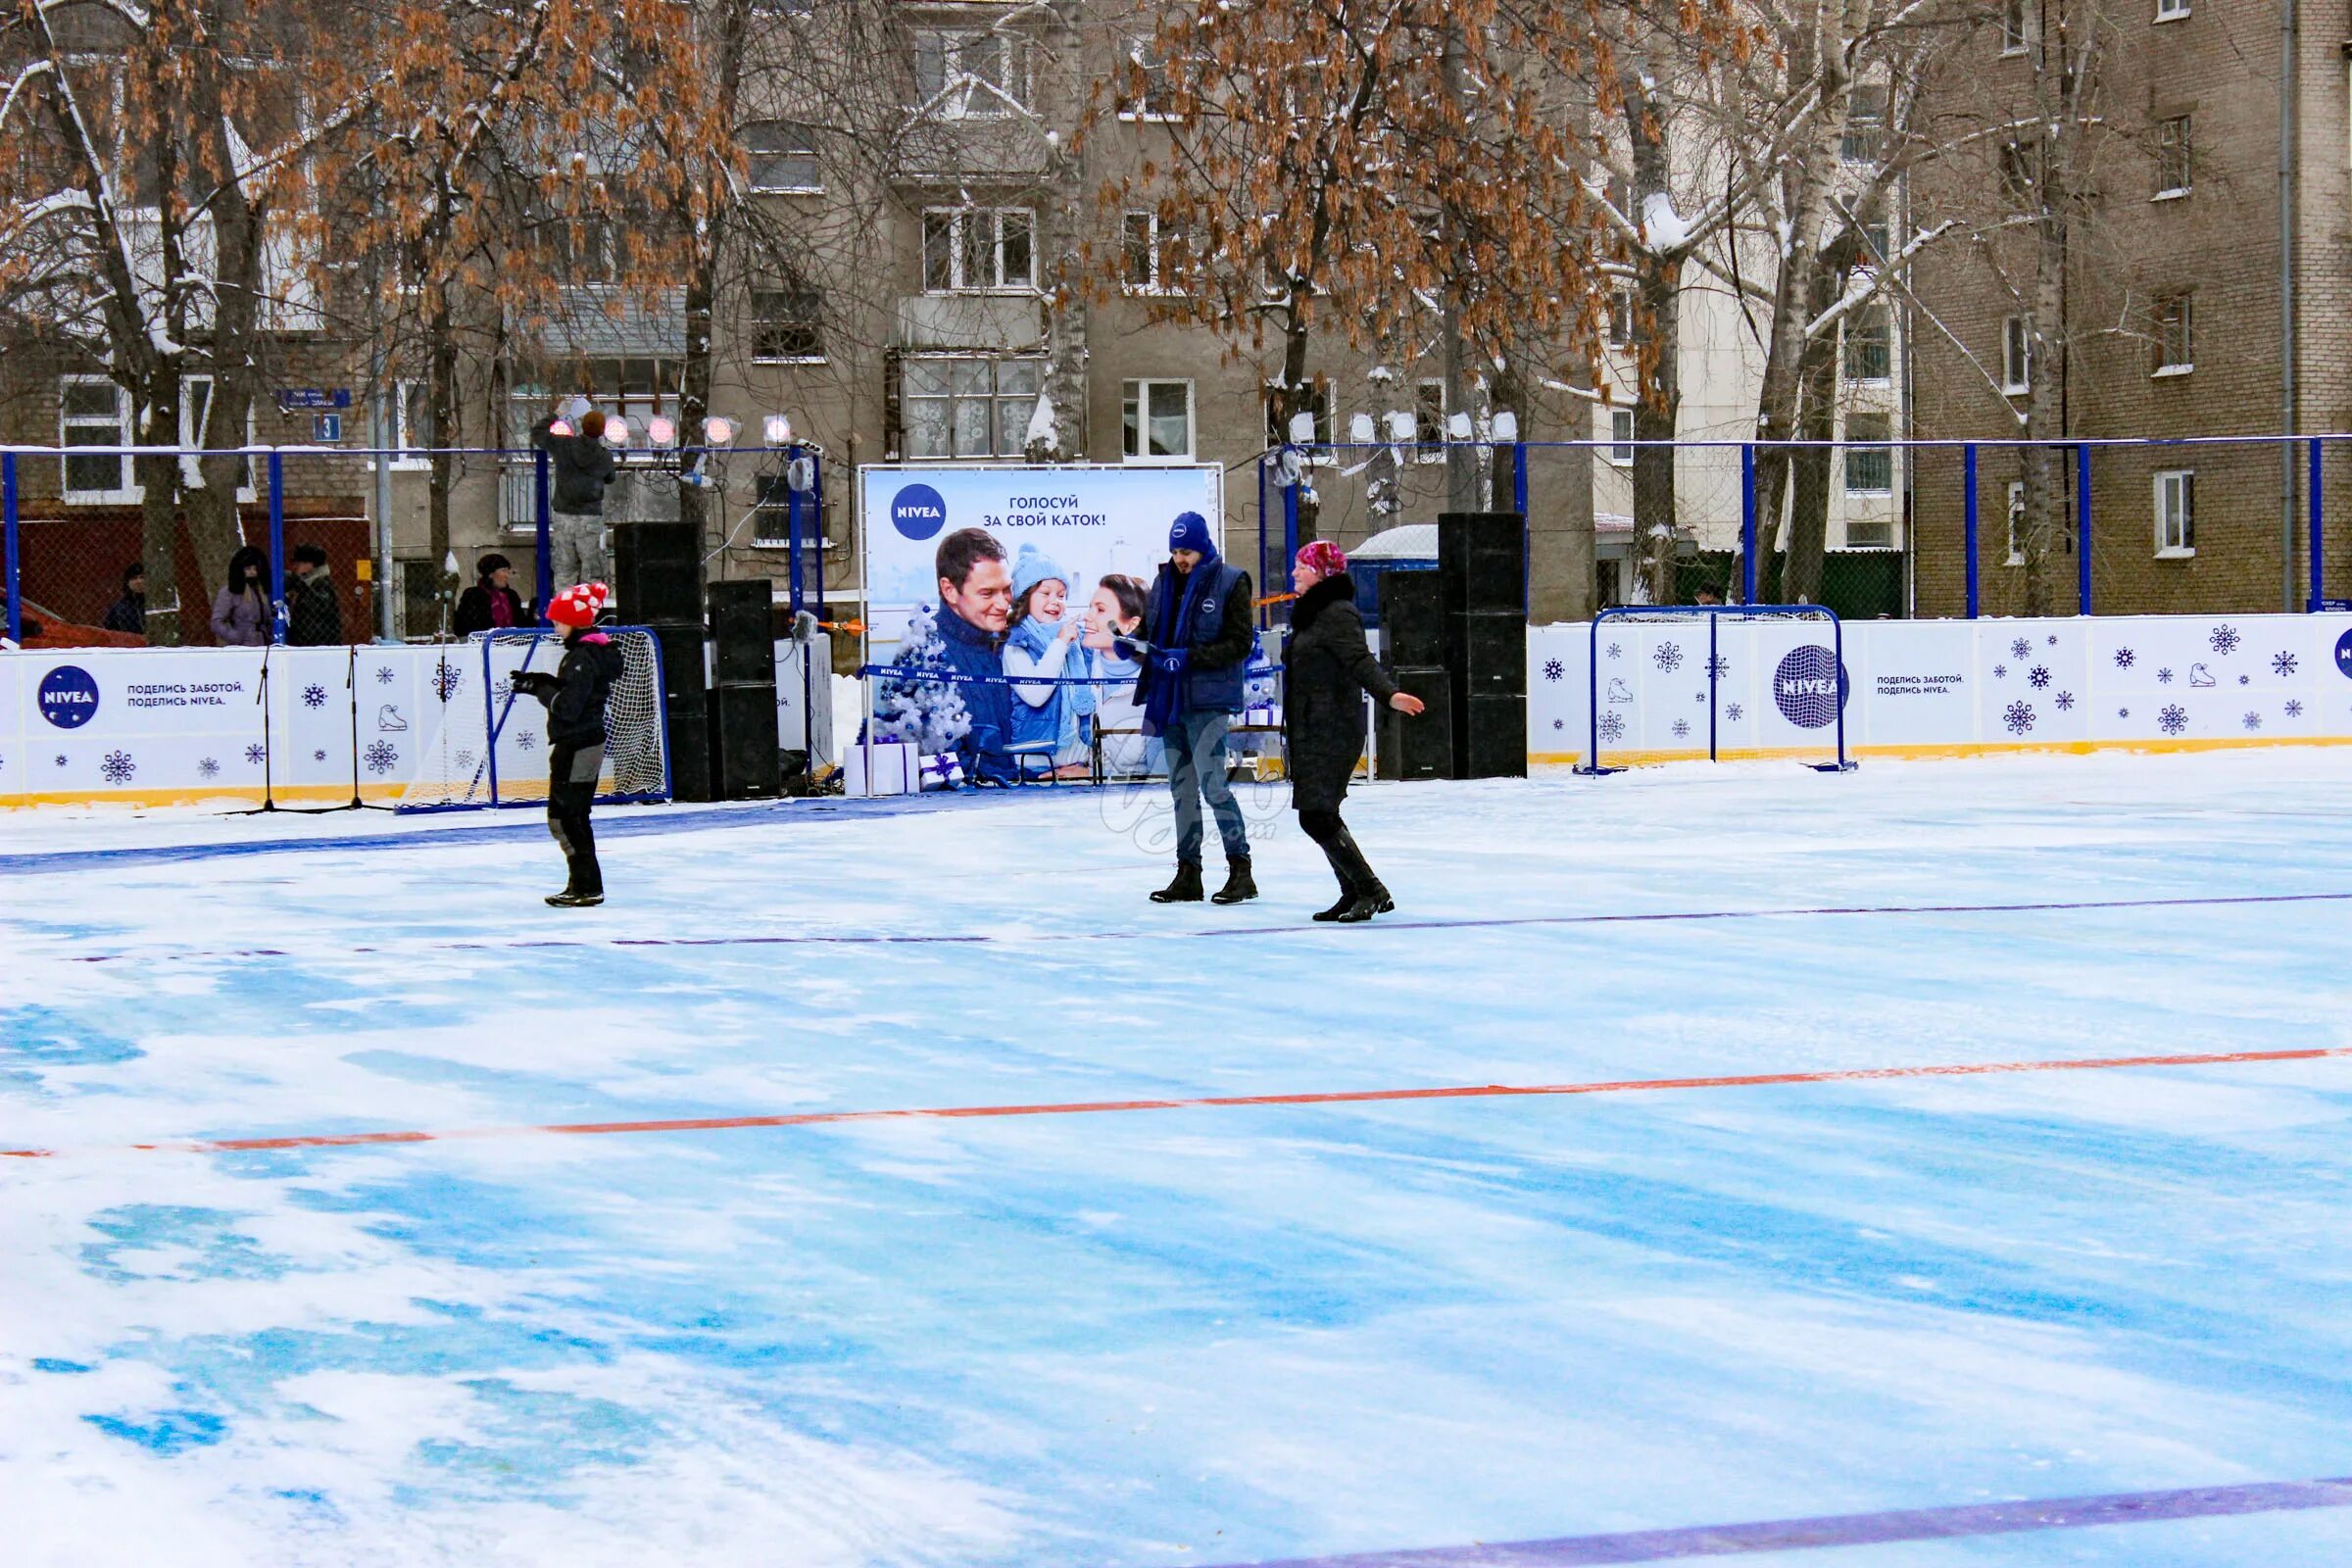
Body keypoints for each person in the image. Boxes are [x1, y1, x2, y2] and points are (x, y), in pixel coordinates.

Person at [1284, 541, 1425, 921]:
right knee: (1319, 813)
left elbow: (1360, 660)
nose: (1294, 573)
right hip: (1312, 726)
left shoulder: (1337, 613)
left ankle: (1370, 889)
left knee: (1316, 816)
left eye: (1302, 567)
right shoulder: (1312, 614)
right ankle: (1353, 891)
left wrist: (1390, 694)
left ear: (1322, 572)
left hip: (1333, 728)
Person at [1128, 510, 1256, 904]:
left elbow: (1239, 644)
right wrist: (1129, 645)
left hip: (1208, 701)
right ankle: (1189, 872)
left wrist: (1189, 657)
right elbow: (1151, 638)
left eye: (1186, 551)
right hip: (1170, 699)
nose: (1180, 558)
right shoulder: (1163, 583)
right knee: (1181, 789)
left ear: (1202, 547)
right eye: (1175, 550)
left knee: (1213, 784)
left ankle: (1241, 870)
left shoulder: (1232, 582)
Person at [513, 581, 622, 907]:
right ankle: (581, 884)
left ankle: (587, 886)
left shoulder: (582, 657)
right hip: (578, 743)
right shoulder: (586, 655)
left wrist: (539, 689)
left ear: (574, 622)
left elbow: (567, 707)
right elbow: (571, 695)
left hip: (579, 743)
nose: (555, 626)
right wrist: (542, 683)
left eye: (559, 620)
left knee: (569, 817)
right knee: (564, 817)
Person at [923, 526, 1015, 784]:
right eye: (987, 593)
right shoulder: (927, 659)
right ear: (949, 590)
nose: (1003, 603)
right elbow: (936, 769)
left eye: (1007, 589)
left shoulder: (1009, 646)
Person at [1003, 544, 1092, 778]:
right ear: (1024, 596)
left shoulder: (1076, 642)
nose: (1055, 601)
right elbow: (1036, 694)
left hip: (1077, 765)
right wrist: (1060, 643)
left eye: (1061, 595)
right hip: (1035, 762)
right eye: (1045, 593)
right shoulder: (1016, 644)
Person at [531, 399, 619, 592]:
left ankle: (564, 617)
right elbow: (610, 478)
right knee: (592, 571)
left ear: (582, 425)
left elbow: (537, 433)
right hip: (590, 517)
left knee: (564, 570)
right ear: (602, 431)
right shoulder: (604, 456)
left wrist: (557, 414)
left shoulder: (565, 446)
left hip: (564, 514)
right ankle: (587, 614)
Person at [1082, 573, 1152, 777]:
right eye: (1090, 607)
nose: (1088, 616)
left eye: (1100, 610)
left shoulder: (1158, 682)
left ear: (1131, 625)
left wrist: (1090, 774)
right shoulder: (1078, 669)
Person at [284, 543, 344, 646]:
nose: (296, 566)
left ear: (310, 564)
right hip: (316, 643)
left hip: (316, 644)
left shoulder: (320, 585)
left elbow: (313, 611)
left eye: (299, 563)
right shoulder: (311, 583)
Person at [455, 553, 529, 636]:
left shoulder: (512, 596)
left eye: (508, 571)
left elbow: (522, 624)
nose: (507, 575)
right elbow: (466, 626)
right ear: (490, 574)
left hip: (513, 645)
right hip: (485, 644)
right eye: (503, 570)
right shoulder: (474, 595)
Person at [212, 546, 271, 646]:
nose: (252, 572)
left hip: (264, 644)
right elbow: (216, 623)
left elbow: (267, 619)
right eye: (248, 569)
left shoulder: (260, 592)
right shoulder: (229, 592)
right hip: (243, 646)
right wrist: (235, 637)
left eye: (255, 569)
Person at [102, 564, 146, 636]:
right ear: (127, 583)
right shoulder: (118, 608)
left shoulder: (157, 603)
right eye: (134, 578)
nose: (139, 581)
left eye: (142, 577)